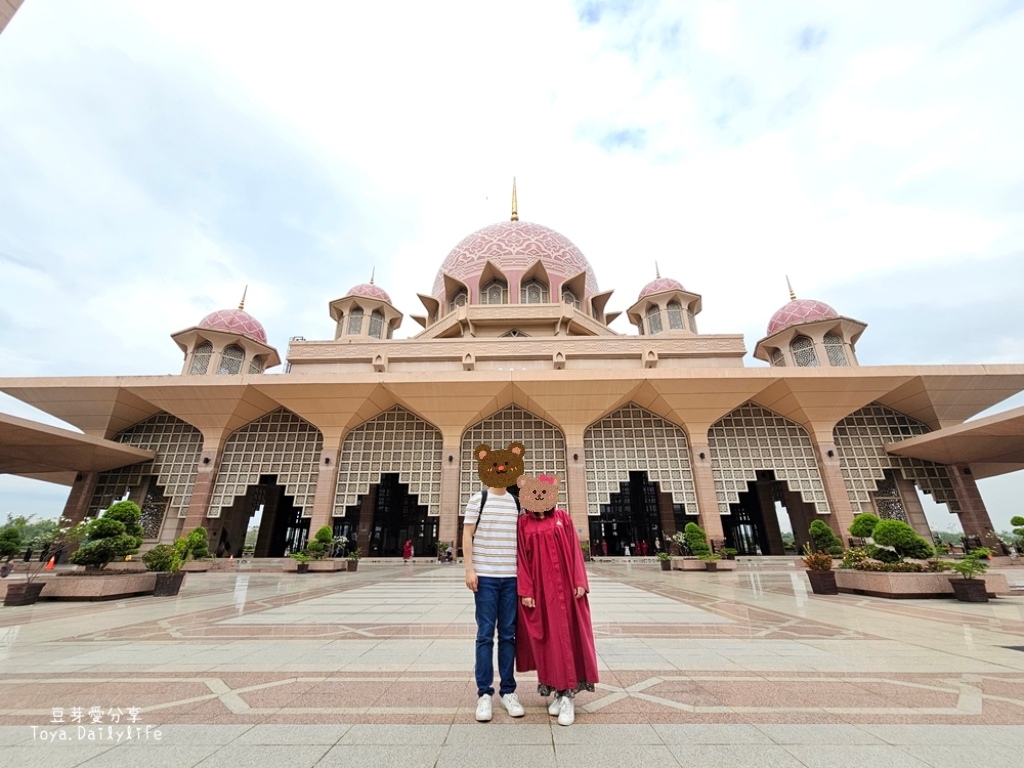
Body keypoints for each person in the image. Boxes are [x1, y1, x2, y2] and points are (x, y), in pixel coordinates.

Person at [515, 473, 598, 726]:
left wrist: (580, 581)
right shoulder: (523, 524)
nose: (539, 498)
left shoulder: (563, 519)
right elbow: (521, 558)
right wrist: (526, 591)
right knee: (548, 639)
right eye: (534, 494)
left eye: (543, 493)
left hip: (568, 590)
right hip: (541, 592)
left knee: (569, 637)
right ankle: (556, 688)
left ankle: (568, 695)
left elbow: (574, 550)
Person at [463, 442, 527, 723]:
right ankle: (484, 694)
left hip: (510, 578)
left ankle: (508, 691)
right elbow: (467, 535)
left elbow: (522, 543)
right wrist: (469, 569)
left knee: (509, 635)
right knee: (485, 635)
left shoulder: (516, 502)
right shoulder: (479, 499)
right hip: (486, 577)